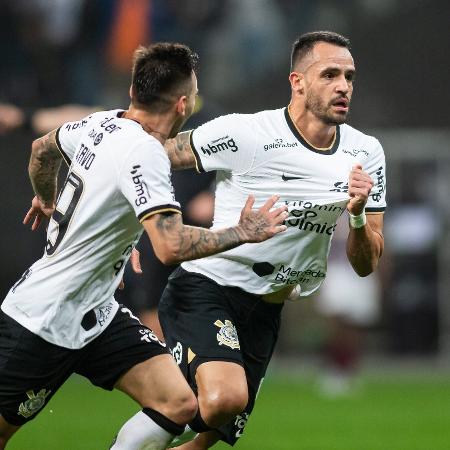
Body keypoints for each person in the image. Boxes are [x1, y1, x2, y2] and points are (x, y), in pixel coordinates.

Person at [0, 42, 287, 450]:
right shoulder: (145, 153)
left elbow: (41, 151)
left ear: (133, 92)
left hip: (98, 313)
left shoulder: (99, 123)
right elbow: (170, 246)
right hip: (43, 318)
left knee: (178, 403)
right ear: (184, 105)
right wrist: (243, 232)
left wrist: (48, 199)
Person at [157, 31, 387, 448]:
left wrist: (355, 217)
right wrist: (130, 226)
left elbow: (366, 264)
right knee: (224, 398)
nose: (343, 86)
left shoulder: (366, 153)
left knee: (206, 437)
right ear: (297, 82)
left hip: (268, 307)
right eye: (330, 74)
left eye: (349, 77)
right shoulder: (246, 133)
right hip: (209, 287)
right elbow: (154, 157)